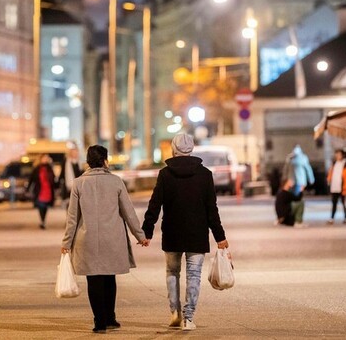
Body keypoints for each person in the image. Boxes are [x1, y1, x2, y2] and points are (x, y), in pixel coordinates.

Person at [142, 133, 228, 332]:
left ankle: (175, 312)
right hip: (197, 233)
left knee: (172, 272)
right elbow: (211, 209)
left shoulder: (165, 174)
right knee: (194, 275)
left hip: (172, 232)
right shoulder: (205, 175)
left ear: (174, 149)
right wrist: (220, 236)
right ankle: (188, 318)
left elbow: (155, 205)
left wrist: (147, 231)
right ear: (191, 149)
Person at [61, 145, 147, 333]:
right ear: (105, 160)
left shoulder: (78, 183)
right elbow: (128, 212)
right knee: (109, 277)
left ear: (88, 161)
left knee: (94, 280)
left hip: (87, 239)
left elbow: (72, 217)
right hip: (112, 239)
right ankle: (110, 318)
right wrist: (140, 236)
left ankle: (99, 322)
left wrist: (66, 243)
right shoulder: (116, 182)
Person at [276, 145, 314, 227]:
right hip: (296, 181)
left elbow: (307, 168)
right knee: (295, 200)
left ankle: (289, 218)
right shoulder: (292, 158)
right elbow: (307, 168)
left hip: (296, 181)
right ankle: (295, 219)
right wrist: (311, 179)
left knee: (291, 199)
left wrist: (284, 178)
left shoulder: (294, 158)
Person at [27, 155, 56, 229]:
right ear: (40, 159)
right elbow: (31, 179)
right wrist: (28, 188)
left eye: (46, 158)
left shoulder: (50, 168)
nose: (45, 160)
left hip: (48, 189)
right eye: (44, 158)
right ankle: (42, 220)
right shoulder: (37, 168)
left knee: (45, 206)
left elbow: (54, 178)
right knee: (40, 205)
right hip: (40, 189)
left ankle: (43, 220)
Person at [327, 148, 346, 224]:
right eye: (336, 154)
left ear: (342, 155)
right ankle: (332, 218)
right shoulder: (334, 163)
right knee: (334, 203)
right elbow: (331, 173)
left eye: (339, 154)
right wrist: (329, 180)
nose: (337, 156)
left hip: (342, 187)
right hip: (334, 186)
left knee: (344, 203)